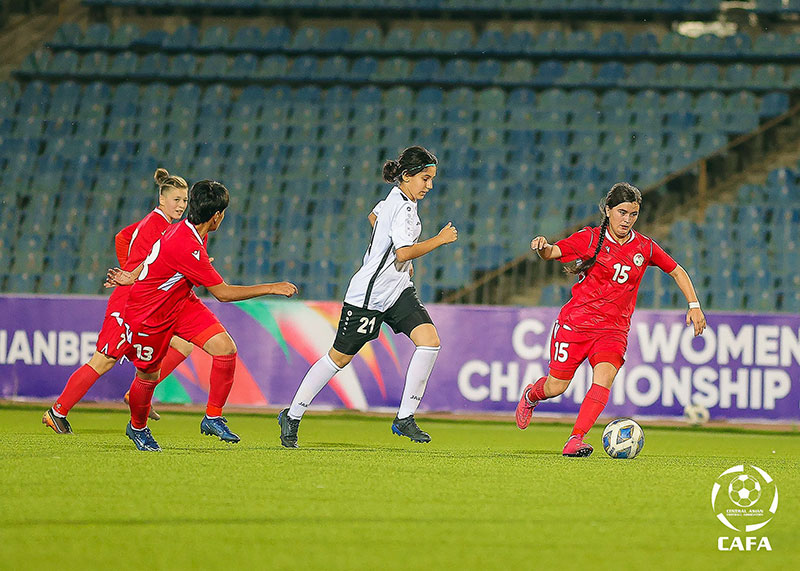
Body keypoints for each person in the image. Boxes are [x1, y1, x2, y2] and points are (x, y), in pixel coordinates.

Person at [278, 145, 458, 448]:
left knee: (429, 341)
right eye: (425, 178)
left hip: (397, 290)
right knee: (338, 359)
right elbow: (403, 251)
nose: (429, 185)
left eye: (432, 179)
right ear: (407, 176)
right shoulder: (402, 207)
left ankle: (405, 418)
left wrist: (391, 255)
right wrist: (439, 240)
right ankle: (292, 415)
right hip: (369, 297)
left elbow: (374, 216)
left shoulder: (396, 201)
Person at [515, 182, 707, 456]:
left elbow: (677, 271)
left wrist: (694, 305)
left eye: (633, 214)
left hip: (613, 330)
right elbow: (553, 252)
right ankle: (531, 395)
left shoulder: (644, 247)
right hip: (576, 324)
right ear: (608, 210)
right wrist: (542, 246)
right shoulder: (590, 238)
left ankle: (575, 439)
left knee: (603, 379)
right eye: (622, 212)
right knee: (556, 386)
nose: (627, 220)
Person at [107, 179, 298, 451]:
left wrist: (133, 274)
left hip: (181, 302)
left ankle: (213, 417)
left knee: (225, 349)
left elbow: (155, 253)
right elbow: (223, 293)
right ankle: (137, 427)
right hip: (149, 312)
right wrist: (271, 287)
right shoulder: (187, 244)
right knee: (148, 376)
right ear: (217, 216)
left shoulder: (189, 231)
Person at [43, 168, 193, 434]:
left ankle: (136, 394)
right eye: (176, 199)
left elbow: (122, 237)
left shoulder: (156, 222)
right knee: (103, 361)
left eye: (185, 200)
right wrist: (131, 277)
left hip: (144, 302)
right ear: (162, 199)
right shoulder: (158, 226)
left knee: (183, 343)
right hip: (128, 304)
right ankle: (57, 412)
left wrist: (128, 272)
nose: (181, 205)